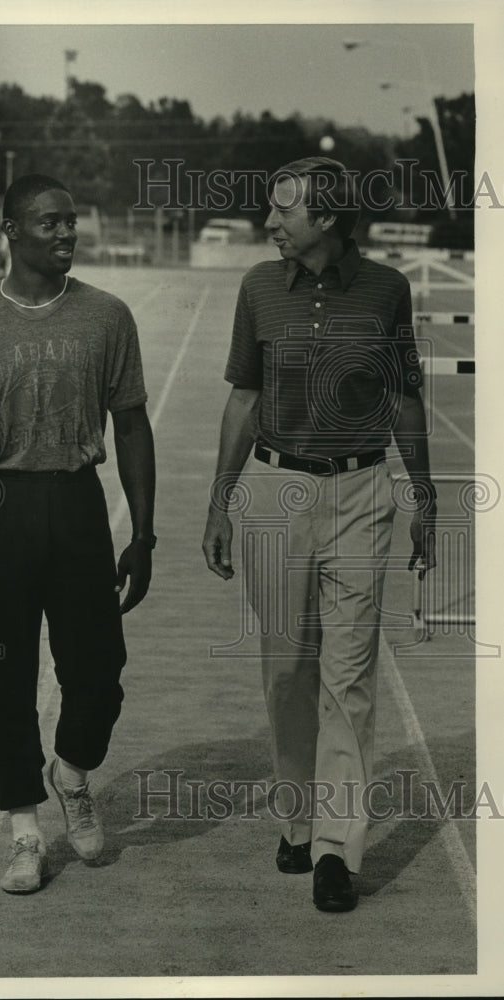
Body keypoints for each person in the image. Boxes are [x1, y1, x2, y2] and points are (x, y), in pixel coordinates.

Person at [202, 156, 436, 912]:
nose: (268, 223)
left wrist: (423, 495)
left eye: (281, 212)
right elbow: (243, 398)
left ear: (326, 218)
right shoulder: (258, 289)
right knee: (284, 672)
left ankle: (337, 848)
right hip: (277, 491)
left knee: (348, 678)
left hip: (362, 492)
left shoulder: (386, 292)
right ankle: (295, 822)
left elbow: (402, 401)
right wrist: (219, 502)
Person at [0, 174, 156, 894]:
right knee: (6, 677)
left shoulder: (108, 316)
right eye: (50, 223)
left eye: (71, 223)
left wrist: (142, 533)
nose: (66, 234)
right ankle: (24, 832)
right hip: (2, 509)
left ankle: (73, 771)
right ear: (12, 231)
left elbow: (131, 425)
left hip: (77, 503)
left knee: (97, 674)